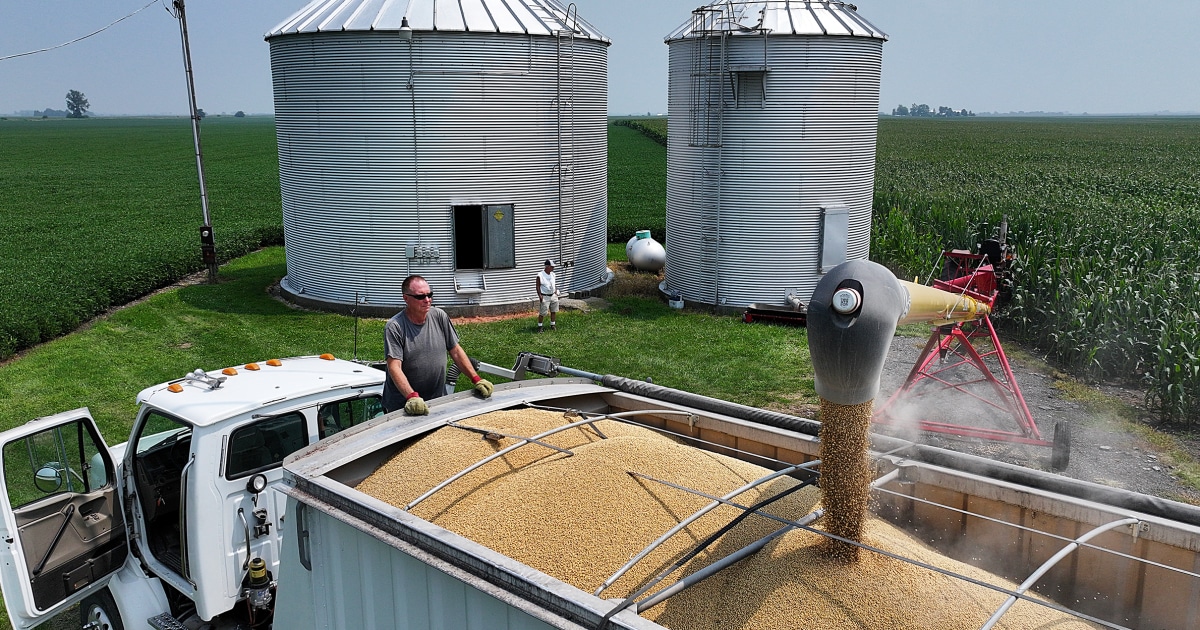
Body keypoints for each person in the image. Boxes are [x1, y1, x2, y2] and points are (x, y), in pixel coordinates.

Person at [382, 275, 493, 415]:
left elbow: (456, 351)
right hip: (404, 407)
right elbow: (394, 367)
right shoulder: (395, 327)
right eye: (420, 297)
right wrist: (411, 396)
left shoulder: (439, 316)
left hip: (436, 401)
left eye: (430, 295)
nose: (427, 300)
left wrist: (476, 379)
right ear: (406, 298)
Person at [535, 259, 559, 333]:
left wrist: (556, 290)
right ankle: (540, 326)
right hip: (545, 296)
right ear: (547, 267)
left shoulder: (553, 274)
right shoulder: (540, 275)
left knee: (554, 311)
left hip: (553, 295)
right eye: (552, 267)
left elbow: (554, 284)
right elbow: (538, 286)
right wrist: (540, 295)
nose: (553, 268)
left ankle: (552, 324)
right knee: (543, 312)